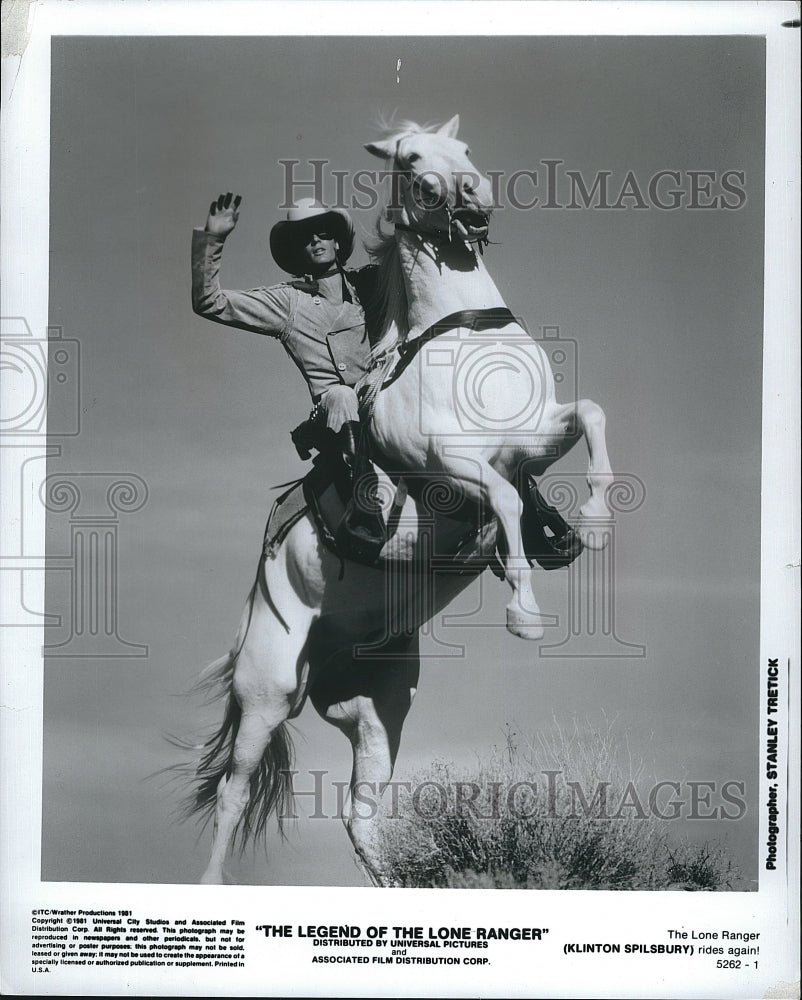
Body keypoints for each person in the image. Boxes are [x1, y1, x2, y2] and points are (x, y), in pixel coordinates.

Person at [191, 192, 384, 551]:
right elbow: (209, 302)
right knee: (341, 395)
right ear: (297, 252)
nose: (315, 239)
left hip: (381, 397)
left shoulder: (371, 284)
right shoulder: (288, 301)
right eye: (305, 236)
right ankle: (363, 510)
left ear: (338, 241)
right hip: (336, 415)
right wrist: (213, 239)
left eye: (323, 231)